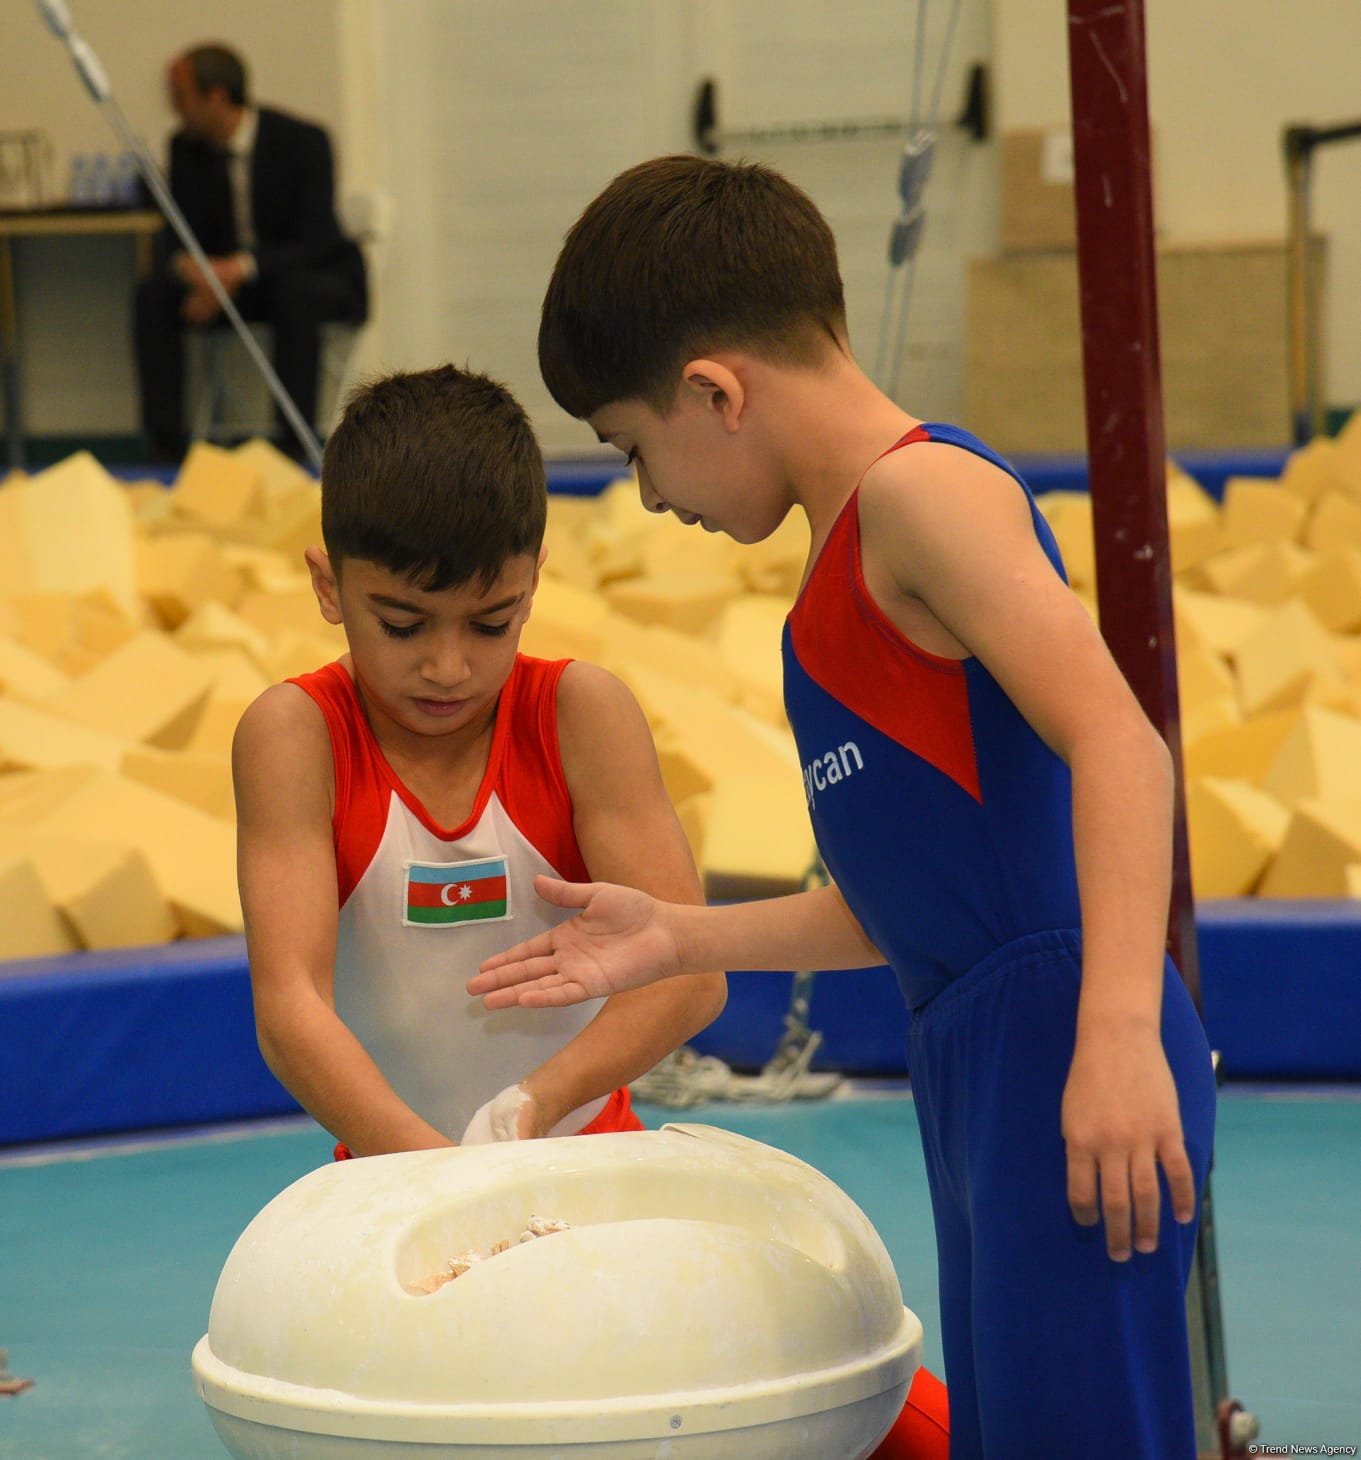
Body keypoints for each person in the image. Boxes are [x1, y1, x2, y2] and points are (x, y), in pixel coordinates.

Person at [469, 155, 1218, 1460]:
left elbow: (1118, 742)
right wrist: (677, 936)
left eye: (635, 448)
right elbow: (916, 910)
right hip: (982, 1045)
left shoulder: (921, 497)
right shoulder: (837, 563)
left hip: (1061, 1035)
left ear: (715, 391)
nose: (648, 493)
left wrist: (1111, 1032)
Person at [231, 362, 949, 1460]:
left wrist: (533, 1104)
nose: (446, 663)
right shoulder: (294, 736)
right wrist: (449, 1188)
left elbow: (690, 977)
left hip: (597, 1177)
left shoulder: (578, 714)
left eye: (490, 620)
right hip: (385, 1199)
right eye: (401, 620)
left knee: (886, 1408)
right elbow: (289, 1004)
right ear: (328, 584)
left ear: (535, 577)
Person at [134, 43, 367, 462]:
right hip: (234, 287)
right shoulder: (185, 148)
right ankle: (164, 445)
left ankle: (293, 445)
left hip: (312, 278)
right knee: (152, 295)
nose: (174, 108)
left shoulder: (304, 141)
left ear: (217, 97)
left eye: (181, 95)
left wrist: (237, 270)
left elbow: (317, 240)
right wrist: (198, 274)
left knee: (294, 292)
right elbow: (175, 233)